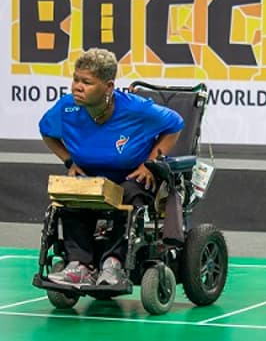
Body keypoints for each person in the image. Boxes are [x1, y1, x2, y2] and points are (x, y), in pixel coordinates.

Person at [39, 48, 184, 287]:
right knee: (74, 192)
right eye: (76, 79)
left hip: (132, 177)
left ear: (108, 87)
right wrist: (69, 162)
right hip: (92, 177)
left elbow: (175, 125)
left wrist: (150, 162)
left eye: (86, 82)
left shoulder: (136, 109)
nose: (77, 86)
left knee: (129, 193)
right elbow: (46, 132)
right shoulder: (67, 109)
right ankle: (79, 265)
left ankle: (113, 263)